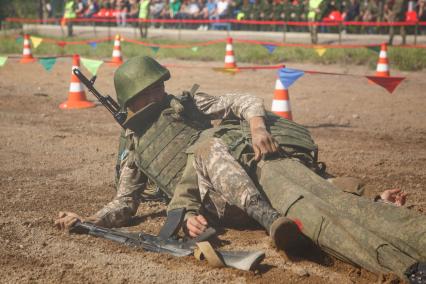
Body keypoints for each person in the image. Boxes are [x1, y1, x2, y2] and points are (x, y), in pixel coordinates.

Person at [55, 56, 426, 283]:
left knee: (314, 194)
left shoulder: (186, 104)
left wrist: (258, 127)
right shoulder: (136, 147)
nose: (158, 94)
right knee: (214, 152)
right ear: (133, 101)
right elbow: (124, 203)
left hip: (250, 170)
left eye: (159, 86)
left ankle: (376, 207)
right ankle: (274, 220)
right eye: (149, 91)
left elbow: (246, 100)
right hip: (220, 202)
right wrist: (87, 220)